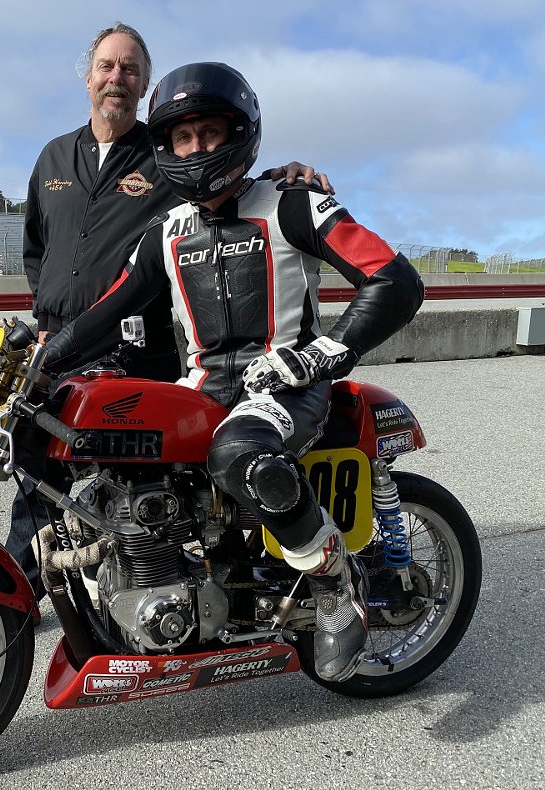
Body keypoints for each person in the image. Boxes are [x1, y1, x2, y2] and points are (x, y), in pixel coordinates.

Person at [44, 61, 424, 682]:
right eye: (182, 138)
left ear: (239, 134)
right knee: (113, 455)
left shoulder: (295, 205)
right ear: (166, 147)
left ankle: (331, 582)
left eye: (210, 134)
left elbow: (394, 279)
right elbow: (103, 311)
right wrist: (42, 357)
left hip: (288, 386)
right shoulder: (164, 232)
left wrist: (327, 352)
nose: (196, 149)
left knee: (237, 450)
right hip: (202, 391)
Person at [7, 23, 333, 605]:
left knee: (153, 472)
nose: (116, 78)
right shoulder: (54, 156)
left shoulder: (165, 155)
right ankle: (20, 595)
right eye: (106, 66)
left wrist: (286, 177)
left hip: (134, 343)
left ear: (144, 84)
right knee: (34, 466)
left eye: (129, 69)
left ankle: (184, 582)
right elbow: (36, 246)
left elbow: (222, 185)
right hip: (64, 336)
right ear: (88, 78)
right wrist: (49, 312)